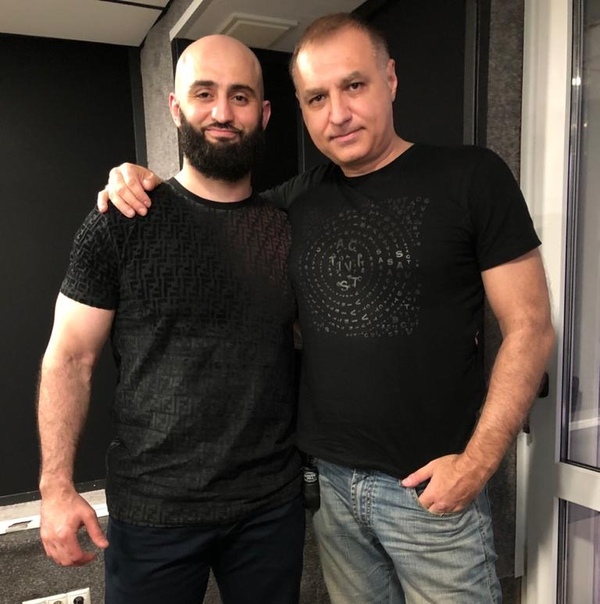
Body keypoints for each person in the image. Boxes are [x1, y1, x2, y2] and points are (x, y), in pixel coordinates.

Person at [98, 13, 554, 604]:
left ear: (391, 79)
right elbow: (212, 205)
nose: (337, 113)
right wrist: (139, 182)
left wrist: (477, 463)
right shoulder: (295, 201)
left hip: (431, 491)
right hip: (330, 491)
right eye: (317, 98)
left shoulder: (471, 177)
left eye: (354, 85)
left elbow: (531, 327)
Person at [37, 35, 305, 604]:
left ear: (263, 113)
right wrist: (56, 486)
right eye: (204, 94)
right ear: (175, 107)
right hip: (153, 511)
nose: (222, 112)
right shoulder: (121, 219)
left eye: (239, 97)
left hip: (268, 507)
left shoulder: (288, 228)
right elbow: (70, 356)